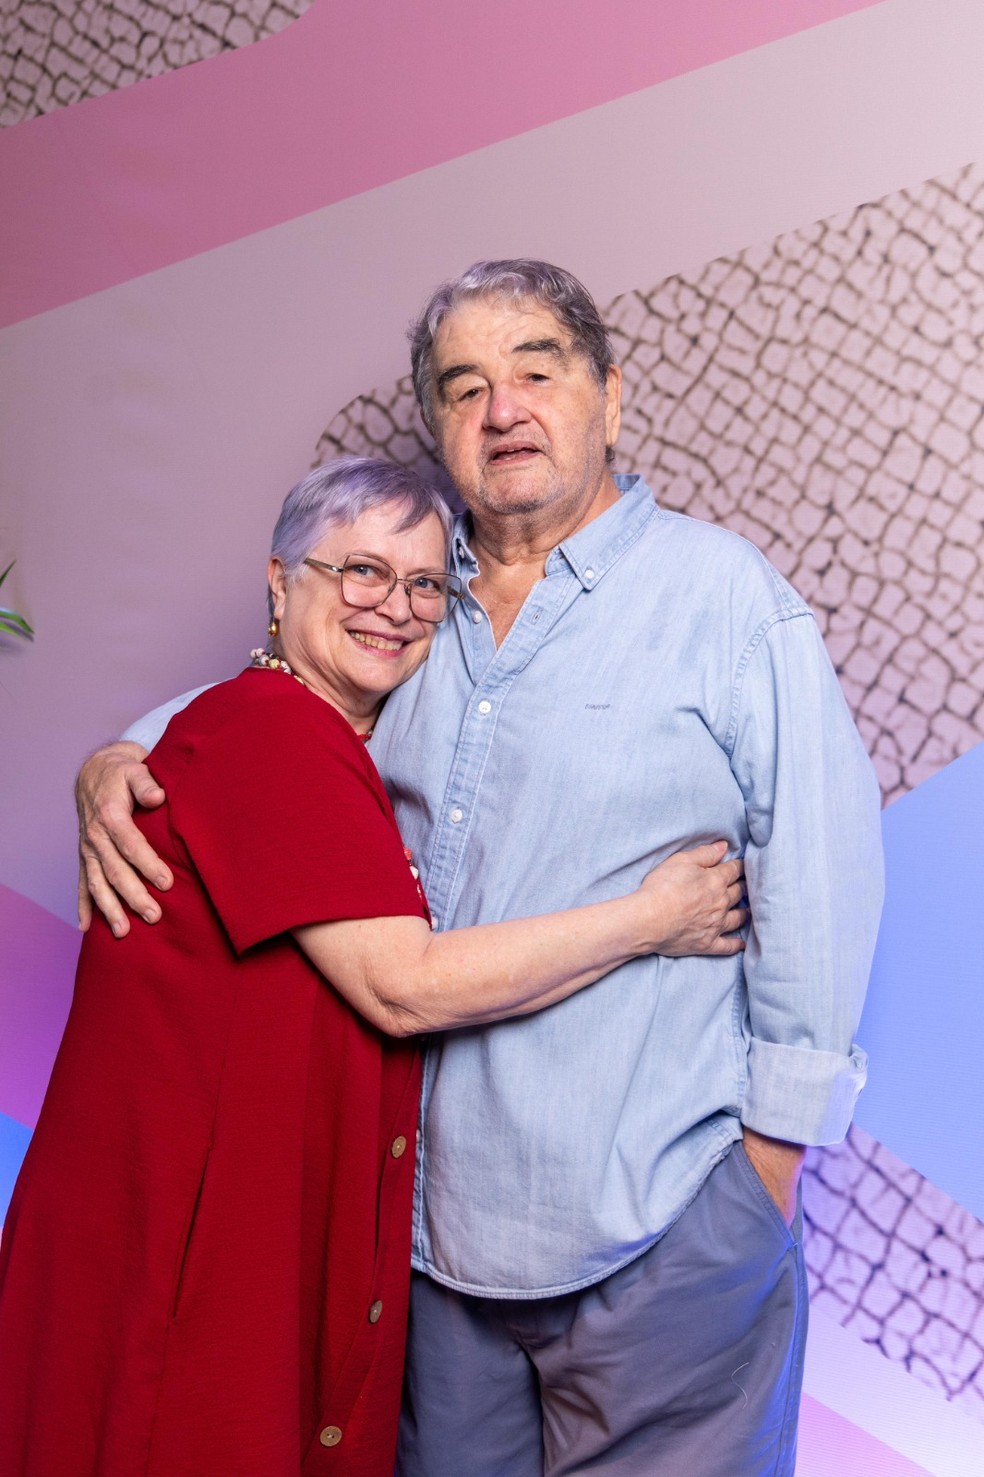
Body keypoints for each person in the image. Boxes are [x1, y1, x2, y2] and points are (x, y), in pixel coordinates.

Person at [74, 261, 884, 1476]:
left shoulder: (724, 600)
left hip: (664, 1224)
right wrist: (118, 756)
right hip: (430, 1253)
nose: (502, 409)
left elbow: (821, 877)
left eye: (535, 372)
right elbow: (260, 713)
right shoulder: (402, 607)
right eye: (464, 387)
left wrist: (766, 1168)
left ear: (611, 398)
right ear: (439, 426)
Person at [0, 456, 748, 1477]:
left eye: (424, 582)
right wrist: (652, 917)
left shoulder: (326, 734)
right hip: (185, 1248)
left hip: (213, 1228)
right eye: (359, 570)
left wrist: (108, 758)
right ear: (279, 582)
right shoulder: (274, 732)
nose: (394, 606)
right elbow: (408, 985)